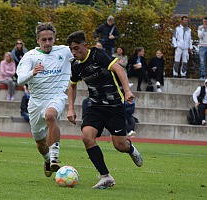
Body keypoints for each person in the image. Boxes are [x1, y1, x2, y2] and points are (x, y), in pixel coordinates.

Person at [66, 30, 143, 189]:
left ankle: (130, 148)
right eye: (71, 49)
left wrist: (127, 91)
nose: (74, 52)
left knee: (119, 145)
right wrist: (71, 109)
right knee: (87, 137)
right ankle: (105, 176)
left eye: (77, 48)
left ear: (85, 45)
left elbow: (119, 69)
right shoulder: (75, 65)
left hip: (114, 105)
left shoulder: (97, 55)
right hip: (94, 106)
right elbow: (72, 86)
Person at [16, 22, 73, 178]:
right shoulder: (30, 57)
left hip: (56, 96)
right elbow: (20, 80)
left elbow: (83, 53)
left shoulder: (65, 51)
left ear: (54, 39)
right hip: (36, 101)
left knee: (50, 116)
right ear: (38, 41)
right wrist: (32, 73)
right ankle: (47, 159)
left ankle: (54, 158)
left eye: (50, 39)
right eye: (44, 40)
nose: (47, 43)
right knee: (40, 143)